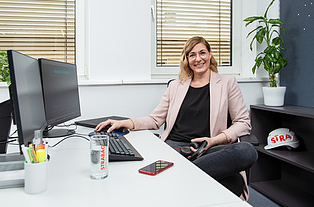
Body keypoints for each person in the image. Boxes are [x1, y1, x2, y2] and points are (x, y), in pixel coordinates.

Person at [95, 36, 258, 201]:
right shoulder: (176, 85)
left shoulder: (227, 83)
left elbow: (243, 123)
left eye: (202, 53)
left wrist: (213, 140)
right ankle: (183, 177)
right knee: (233, 183)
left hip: (209, 150)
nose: (198, 58)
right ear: (187, 59)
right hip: (176, 149)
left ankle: (178, 175)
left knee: (246, 151)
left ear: (210, 54)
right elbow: (154, 120)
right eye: (192, 55)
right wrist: (124, 123)